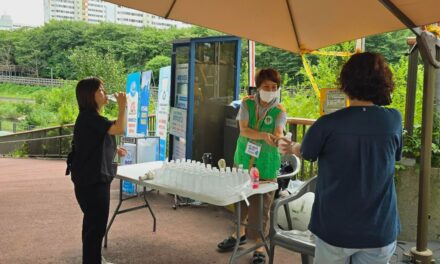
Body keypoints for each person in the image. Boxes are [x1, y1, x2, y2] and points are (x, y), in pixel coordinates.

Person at [283, 52, 402, 264]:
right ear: (383, 83)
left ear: (345, 83)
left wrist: (292, 147)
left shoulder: (327, 124)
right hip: (380, 229)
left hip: (334, 229)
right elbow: (395, 156)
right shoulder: (393, 120)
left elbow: (307, 151)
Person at [217, 68, 287, 264]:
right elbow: (244, 130)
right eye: (266, 87)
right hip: (245, 159)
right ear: (258, 87)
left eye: (274, 87)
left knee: (262, 205)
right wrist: (264, 136)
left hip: (266, 163)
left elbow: (279, 131)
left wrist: (278, 139)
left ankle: (260, 247)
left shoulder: (280, 110)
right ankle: (238, 233)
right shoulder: (246, 103)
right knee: (240, 197)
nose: (271, 90)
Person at [70, 77, 127, 264]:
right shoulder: (90, 118)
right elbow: (118, 128)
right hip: (92, 183)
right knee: (95, 228)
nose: (104, 93)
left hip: (88, 181)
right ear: (90, 96)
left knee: (92, 227)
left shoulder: (90, 118)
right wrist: (122, 106)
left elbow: (96, 141)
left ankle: (94, 259)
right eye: (100, 90)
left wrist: (115, 149)